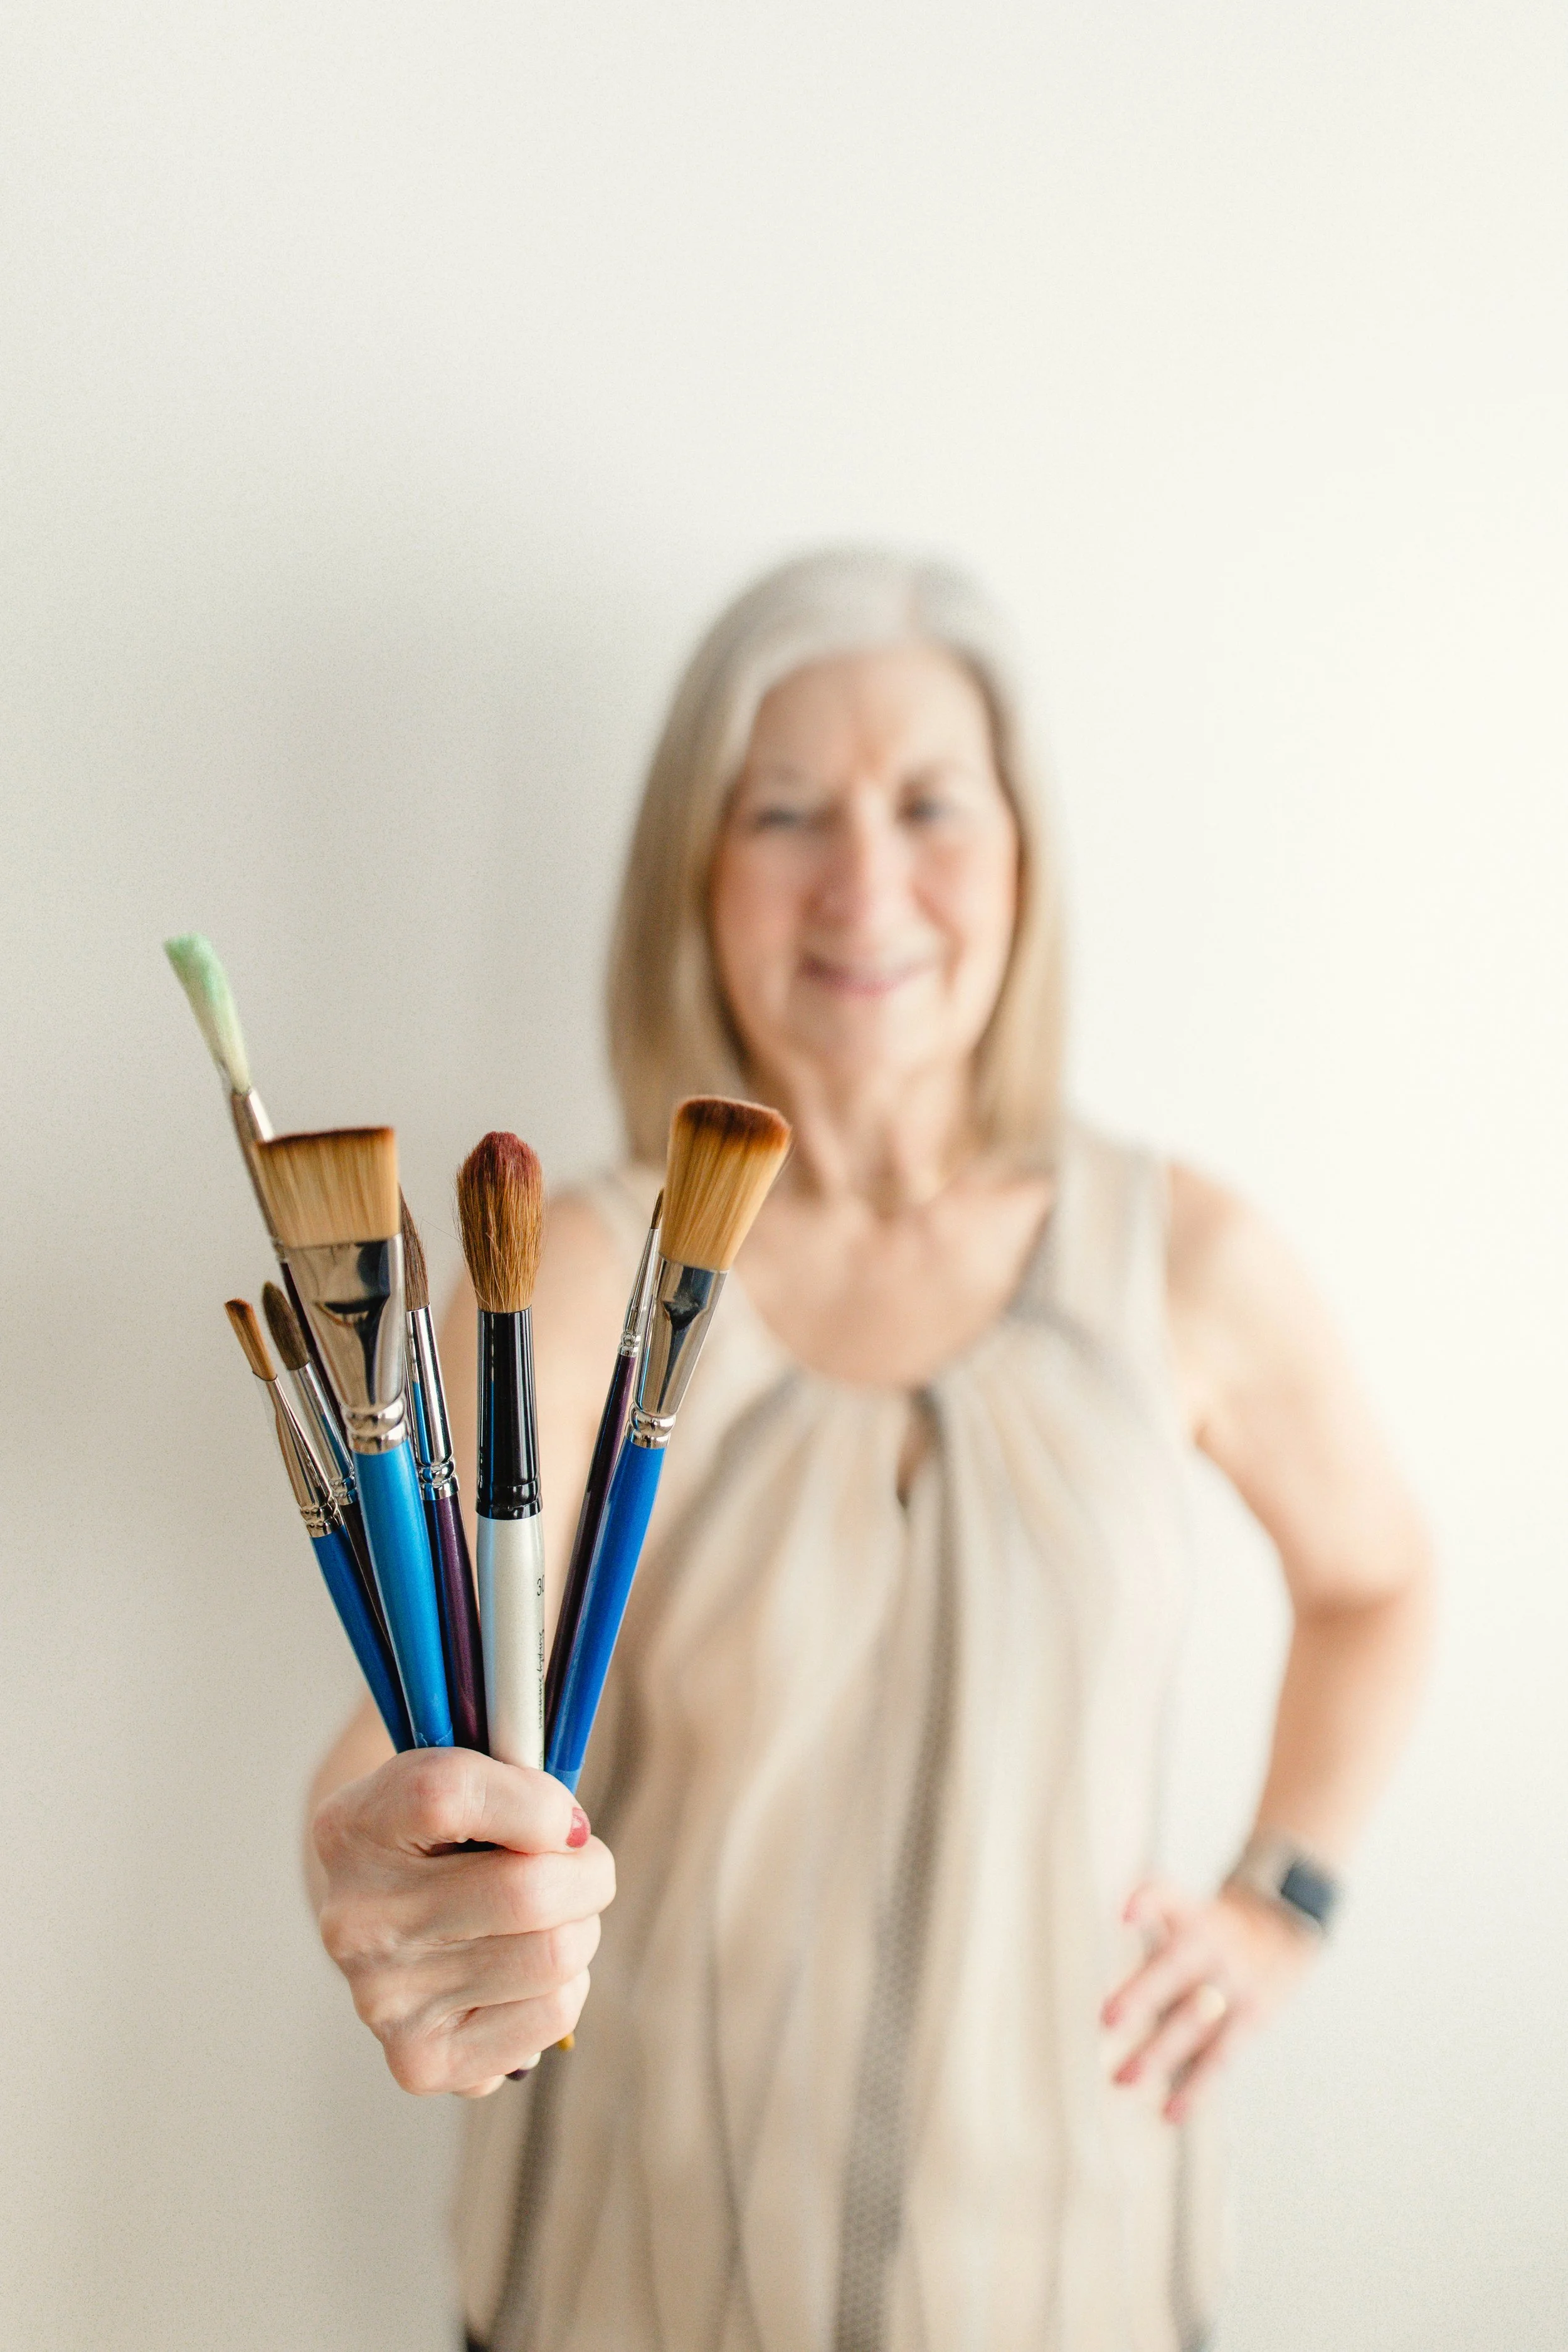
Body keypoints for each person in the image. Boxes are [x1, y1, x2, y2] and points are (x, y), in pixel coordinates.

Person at [305, 550, 1433, 2351]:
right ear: (696, 870)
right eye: (783, 812)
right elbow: (412, 1726)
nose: (863, 880)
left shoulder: (1188, 1261)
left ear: (1025, 863)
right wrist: (376, 1872)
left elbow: (1375, 1581)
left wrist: (1277, 1897)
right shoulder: (579, 1271)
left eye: (929, 804)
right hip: (626, 2280)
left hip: (1076, 2278)